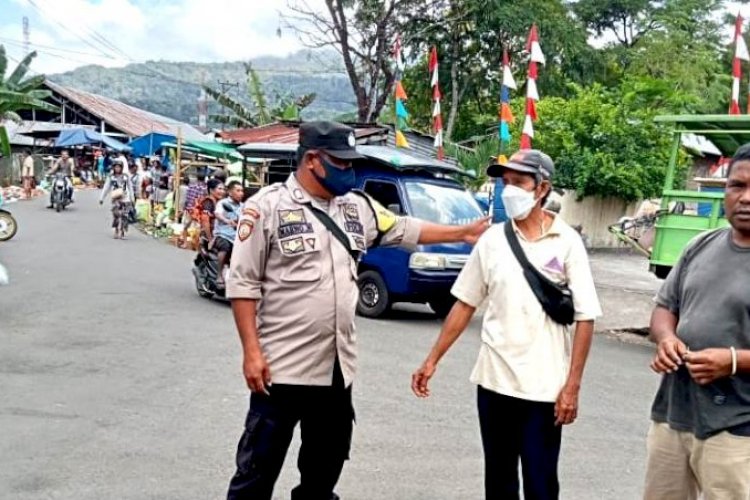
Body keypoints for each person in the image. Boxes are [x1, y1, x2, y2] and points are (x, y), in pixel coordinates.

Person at [225, 121, 489, 500]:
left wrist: (460, 234)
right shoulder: (267, 208)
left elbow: (404, 228)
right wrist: (251, 352)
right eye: (341, 162)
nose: (348, 170)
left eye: (351, 163)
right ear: (313, 160)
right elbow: (243, 284)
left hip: (335, 371)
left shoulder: (357, 208)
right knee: (256, 475)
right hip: (280, 368)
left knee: (322, 474)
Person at [412, 150, 602, 500]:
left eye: (519, 182)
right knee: (498, 480)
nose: (508, 189)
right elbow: (465, 303)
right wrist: (432, 359)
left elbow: (585, 317)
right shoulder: (493, 240)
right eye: (505, 182)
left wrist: (572, 386)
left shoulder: (567, 242)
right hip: (494, 383)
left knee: (540, 482)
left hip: (544, 390)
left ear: (542, 188)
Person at [643, 144, 750, 500]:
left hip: (738, 427)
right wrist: (666, 339)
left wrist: (732, 361)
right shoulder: (700, 245)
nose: (745, 198)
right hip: (674, 413)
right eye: (737, 186)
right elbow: (664, 308)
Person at [213, 181, 243, 289]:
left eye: (242, 191)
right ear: (230, 192)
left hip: (238, 237)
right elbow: (218, 214)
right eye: (238, 191)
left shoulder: (243, 206)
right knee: (225, 246)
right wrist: (227, 221)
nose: (241, 193)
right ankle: (219, 275)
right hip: (223, 234)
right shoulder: (223, 203)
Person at [99, 160, 134, 239]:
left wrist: (132, 198)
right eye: (116, 167)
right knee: (116, 215)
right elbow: (106, 187)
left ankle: (122, 231)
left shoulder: (126, 176)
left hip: (125, 198)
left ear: (121, 168)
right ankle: (116, 230)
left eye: (119, 167)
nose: (117, 169)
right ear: (113, 168)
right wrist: (102, 198)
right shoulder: (111, 176)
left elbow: (130, 187)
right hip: (115, 198)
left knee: (125, 215)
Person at [180, 168, 209, 249]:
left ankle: (185, 244)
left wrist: (185, 208)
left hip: (190, 210)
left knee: (186, 227)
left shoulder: (191, 186)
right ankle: (197, 245)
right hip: (200, 211)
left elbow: (187, 199)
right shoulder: (206, 189)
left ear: (196, 177)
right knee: (200, 229)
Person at [196, 178, 226, 243]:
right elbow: (205, 220)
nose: (222, 192)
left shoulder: (217, 202)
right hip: (207, 237)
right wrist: (210, 239)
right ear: (211, 190)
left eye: (223, 189)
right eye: (220, 189)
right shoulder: (208, 202)